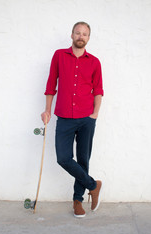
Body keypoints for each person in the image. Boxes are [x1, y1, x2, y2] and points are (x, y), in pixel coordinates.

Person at [41, 22, 104, 218]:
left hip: (87, 118)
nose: (81, 36)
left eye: (85, 34)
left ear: (88, 38)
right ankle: (93, 185)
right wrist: (47, 110)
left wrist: (95, 114)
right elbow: (52, 84)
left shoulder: (94, 62)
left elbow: (99, 90)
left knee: (83, 159)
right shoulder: (59, 55)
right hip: (65, 117)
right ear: (71, 35)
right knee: (64, 158)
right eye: (78, 32)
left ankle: (78, 200)